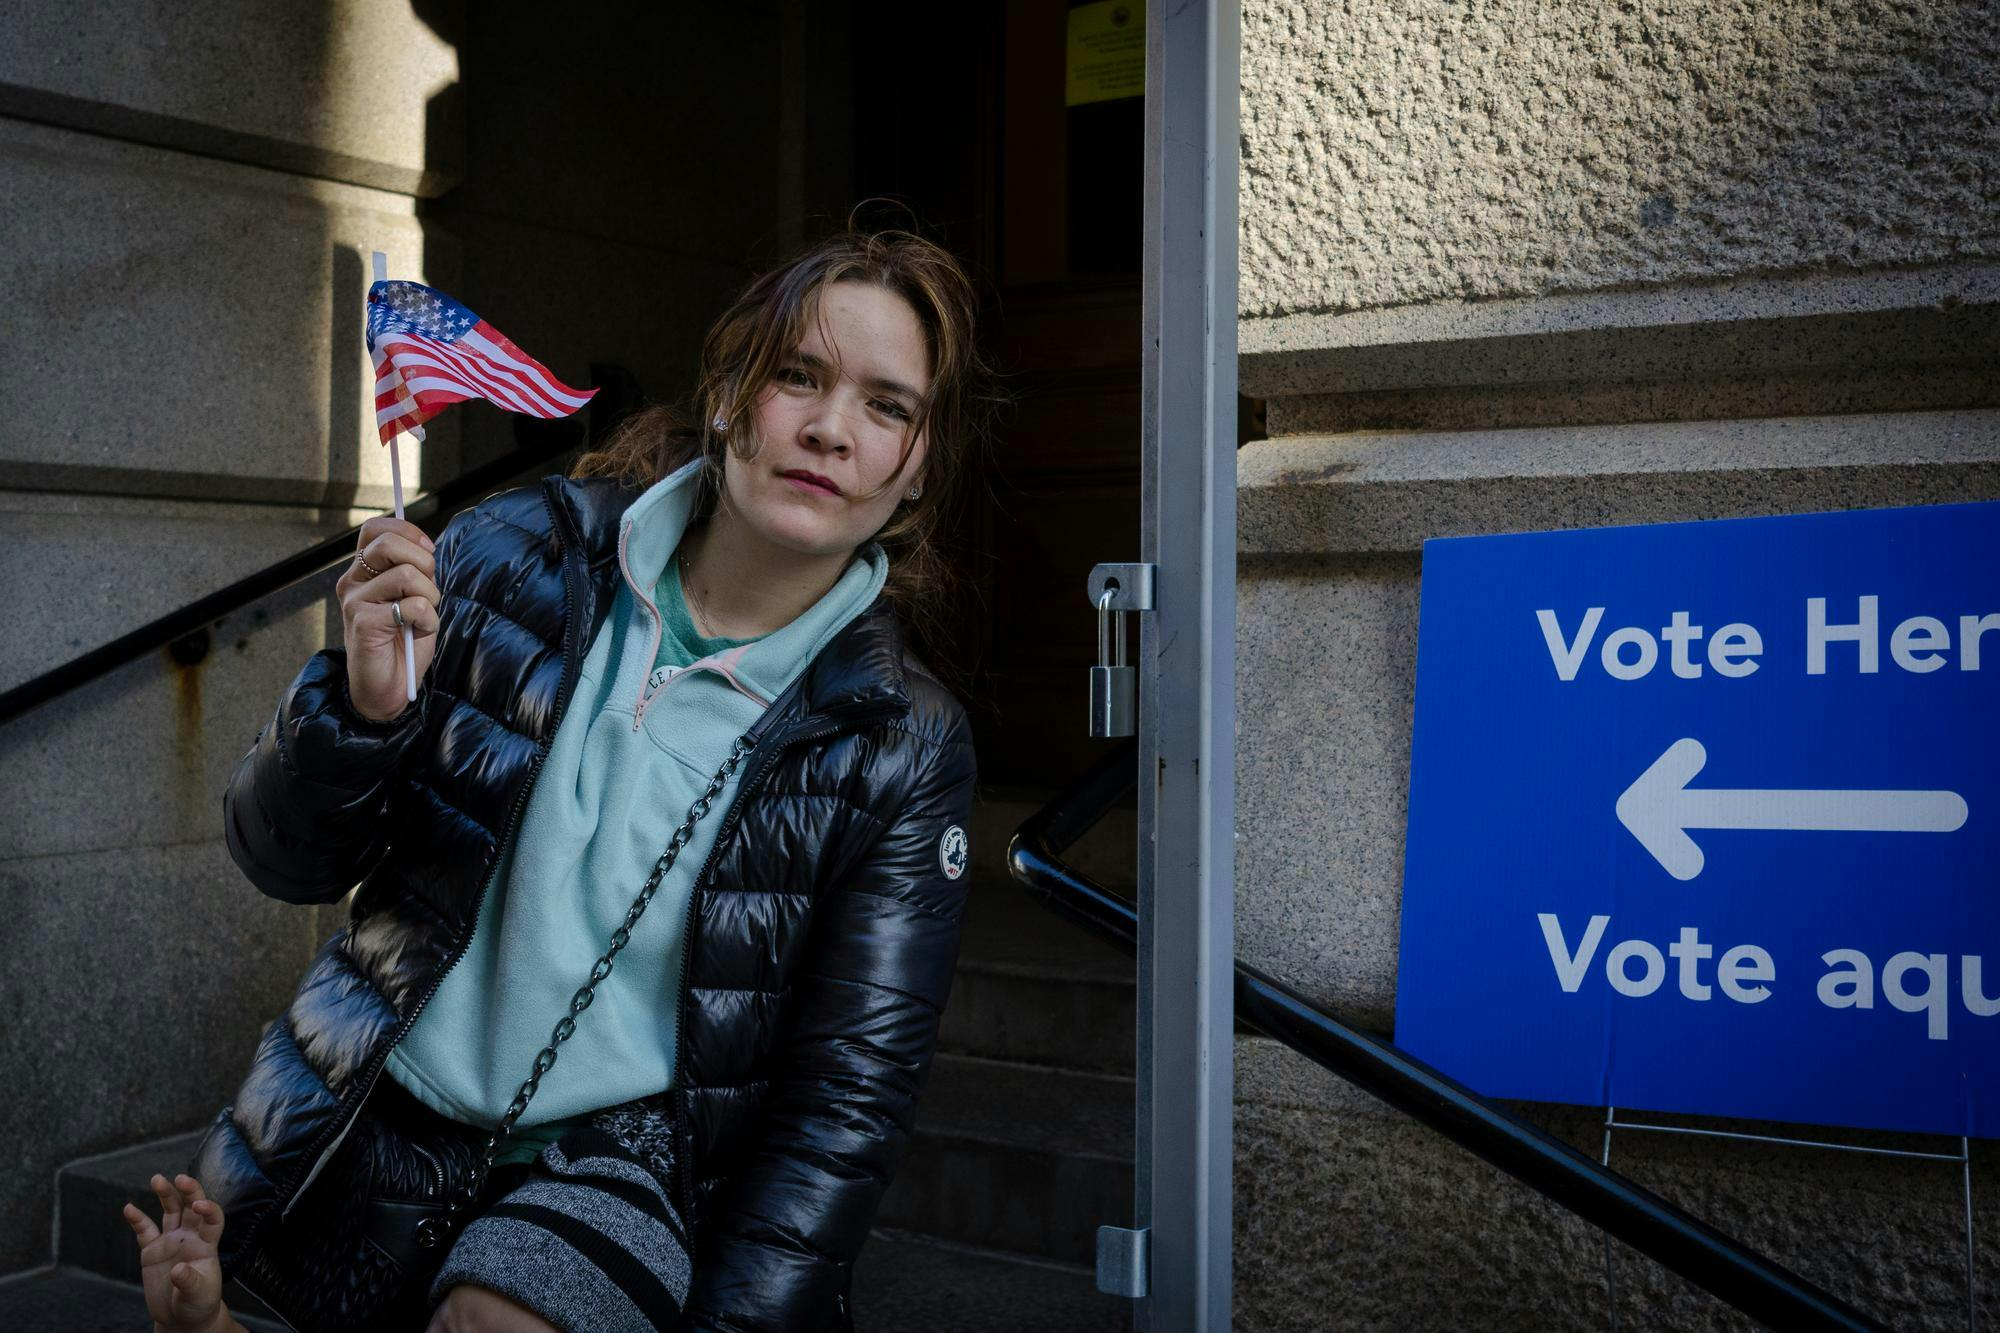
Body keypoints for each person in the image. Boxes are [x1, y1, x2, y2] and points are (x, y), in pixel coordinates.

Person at [123, 216, 995, 1332]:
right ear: (728, 394)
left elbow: (844, 1104)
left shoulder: (898, 735)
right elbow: (281, 857)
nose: (829, 430)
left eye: (887, 406)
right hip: (383, 1098)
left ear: (916, 468)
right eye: (797, 375)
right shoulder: (510, 557)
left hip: (626, 1152)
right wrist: (361, 709)